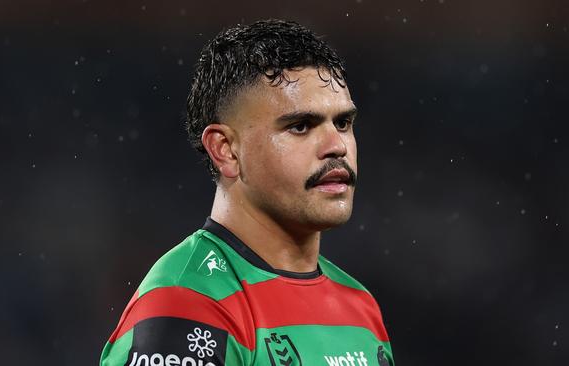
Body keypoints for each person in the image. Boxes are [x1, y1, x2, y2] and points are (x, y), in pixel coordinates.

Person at [100, 19, 395, 366]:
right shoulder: (189, 302)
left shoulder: (360, 307)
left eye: (343, 123)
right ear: (226, 149)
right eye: (300, 126)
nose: (337, 146)